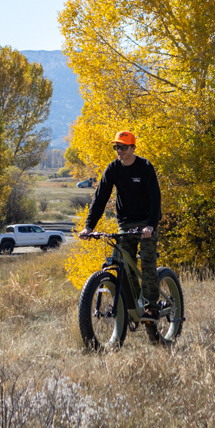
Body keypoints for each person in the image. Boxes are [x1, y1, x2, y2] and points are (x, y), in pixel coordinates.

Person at [78, 130, 162, 318]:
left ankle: (152, 307)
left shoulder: (145, 167)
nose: (119, 151)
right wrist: (89, 227)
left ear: (133, 148)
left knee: (147, 262)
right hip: (126, 223)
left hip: (147, 221)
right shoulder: (113, 168)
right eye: (117, 147)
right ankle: (133, 307)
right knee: (122, 264)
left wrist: (151, 225)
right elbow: (100, 198)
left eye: (123, 147)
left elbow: (156, 198)